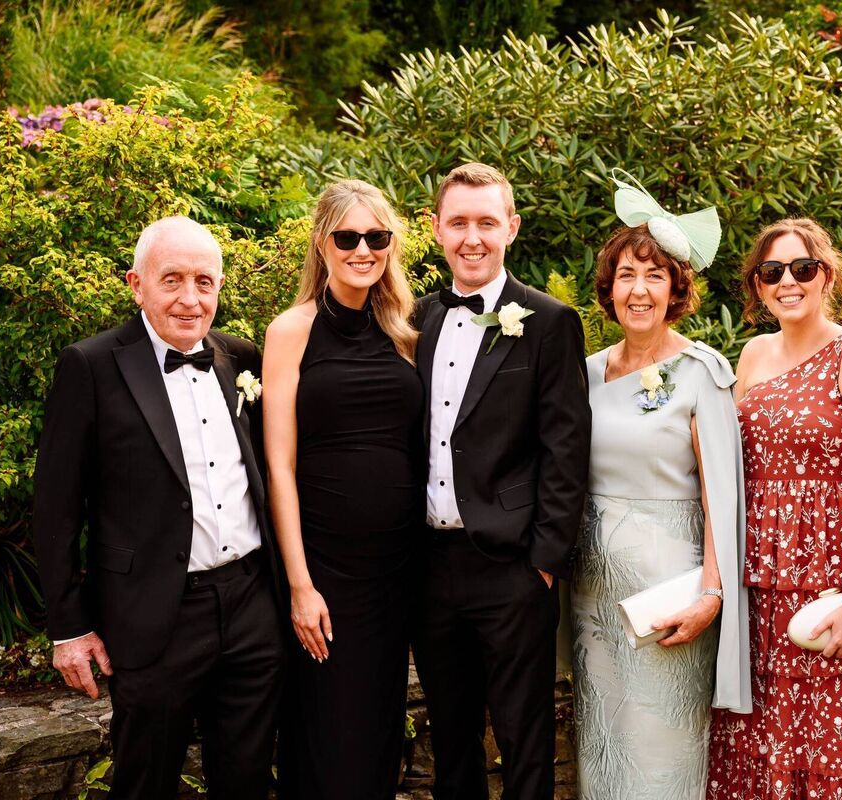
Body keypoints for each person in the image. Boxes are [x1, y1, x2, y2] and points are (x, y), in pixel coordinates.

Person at [32, 216, 284, 800]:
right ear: (136, 284)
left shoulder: (240, 357)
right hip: (153, 614)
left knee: (246, 780)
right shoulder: (91, 365)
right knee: (144, 780)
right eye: (172, 279)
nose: (190, 298)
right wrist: (69, 627)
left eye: (204, 281)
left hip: (251, 605)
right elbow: (56, 505)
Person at [410, 162, 592, 800]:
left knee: (525, 738)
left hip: (513, 566)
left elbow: (566, 448)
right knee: (451, 737)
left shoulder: (549, 321)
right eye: (458, 222)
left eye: (486, 222)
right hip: (428, 564)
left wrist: (543, 560)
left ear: (511, 228)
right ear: (436, 229)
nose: (473, 238)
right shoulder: (414, 319)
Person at [572, 171, 751, 800]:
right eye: (626, 275)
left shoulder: (703, 372)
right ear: (609, 288)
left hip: (669, 594)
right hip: (592, 595)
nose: (639, 289)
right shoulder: (585, 373)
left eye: (654, 275)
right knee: (602, 745)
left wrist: (712, 593)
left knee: (661, 750)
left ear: (676, 288)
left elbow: (721, 497)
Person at [708, 218, 842, 799]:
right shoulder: (752, 354)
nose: (787, 281)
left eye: (802, 268)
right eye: (771, 272)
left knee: (828, 738)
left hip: (827, 577)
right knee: (760, 737)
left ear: (826, 276)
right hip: (758, 578)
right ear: (757, 286)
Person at [263, 180, 424, 799]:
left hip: (397, 572)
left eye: (376, 237)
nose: (363, 250)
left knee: (377, 733)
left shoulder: (405, 332)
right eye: (348, 237)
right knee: (328, 736)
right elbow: (280, 465)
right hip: (326, 571)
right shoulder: (292, 330)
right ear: (321, 243)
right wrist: (300, 585)